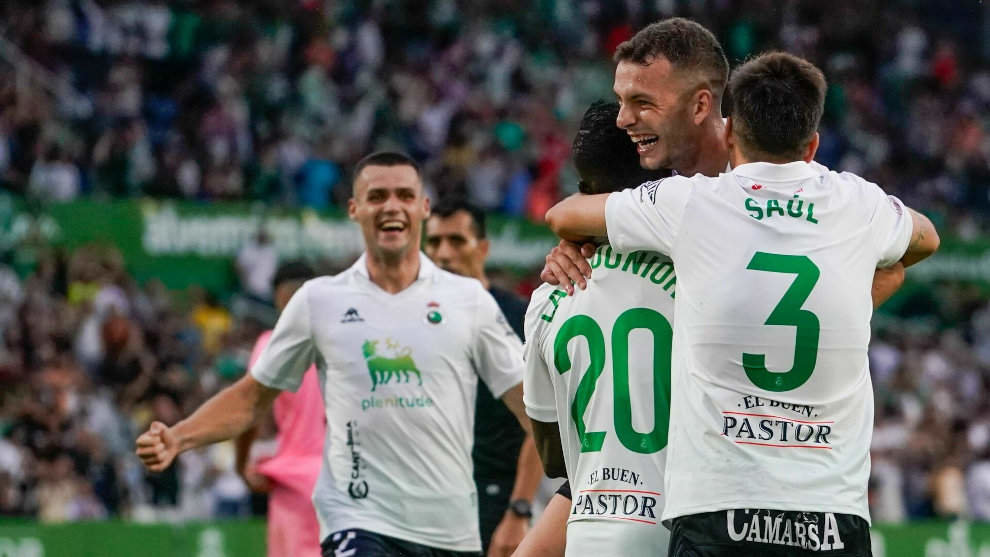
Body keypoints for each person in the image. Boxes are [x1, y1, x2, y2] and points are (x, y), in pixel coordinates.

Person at [524, 19, 906, 556]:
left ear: (703, 107)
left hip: (767, 486)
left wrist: (775, 334)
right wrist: (582, 243)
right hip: (659, 490)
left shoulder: (785, 169)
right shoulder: (658, 199)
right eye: (621, 101)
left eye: (641, 103)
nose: (624, 119)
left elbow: (886, 269)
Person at [137, 151, 531, 557]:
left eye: (404, 196)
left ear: (423, 207)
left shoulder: (468, 301)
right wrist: (178, 436)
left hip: (449, 531)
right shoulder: (319, 301)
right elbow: (252, 397)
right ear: (354, 209)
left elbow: (529, 404)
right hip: (358, 520)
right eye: (377, 196)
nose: (391, 206)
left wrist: (570, 483)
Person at [521, 99, 672, 557]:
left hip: (589, 531)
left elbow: (553, 457)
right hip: (685, 529)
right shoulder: (703, 275)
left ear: (585, 192)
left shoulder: (549, 297)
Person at [424, 199, 544, 557]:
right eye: (434, 242)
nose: (444, 253)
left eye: (457, 241)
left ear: (484, 248)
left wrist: (519, 509)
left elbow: (543, 419)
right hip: (430, 495)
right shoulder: (415, 316)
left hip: (496, 493)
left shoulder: (519, 317)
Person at [234, 261, 325, 557]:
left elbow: (249, 410)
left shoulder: (271, 344)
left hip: (296, 481)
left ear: (280, 297)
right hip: (352, 481)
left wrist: (242, 463)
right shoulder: (349, 341)